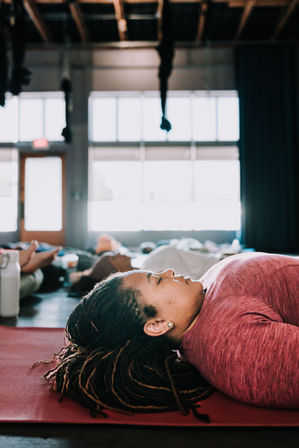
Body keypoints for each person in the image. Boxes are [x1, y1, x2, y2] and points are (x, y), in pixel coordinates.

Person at [44, 252, 299, 418]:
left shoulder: (197, 307)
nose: (168, 272)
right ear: (157, 324)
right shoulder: (231, 344)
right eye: (157, 280)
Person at [69, 245, 221, 295]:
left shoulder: (150, 265)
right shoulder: (152, 270)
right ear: (117, 269)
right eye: (115, 257)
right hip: (218, 268)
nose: (121, 253)